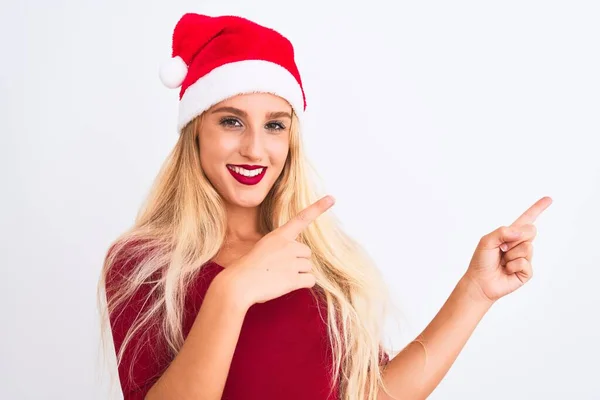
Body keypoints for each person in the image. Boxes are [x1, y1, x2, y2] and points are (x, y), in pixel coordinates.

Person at [99, 12, 552, 400]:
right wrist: (231, 293)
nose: (255, 149)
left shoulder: (317, 253)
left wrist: (476, 291)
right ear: (196, 130)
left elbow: (375, 393)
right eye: (231, 121)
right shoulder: (144, 263)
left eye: (275, 125)